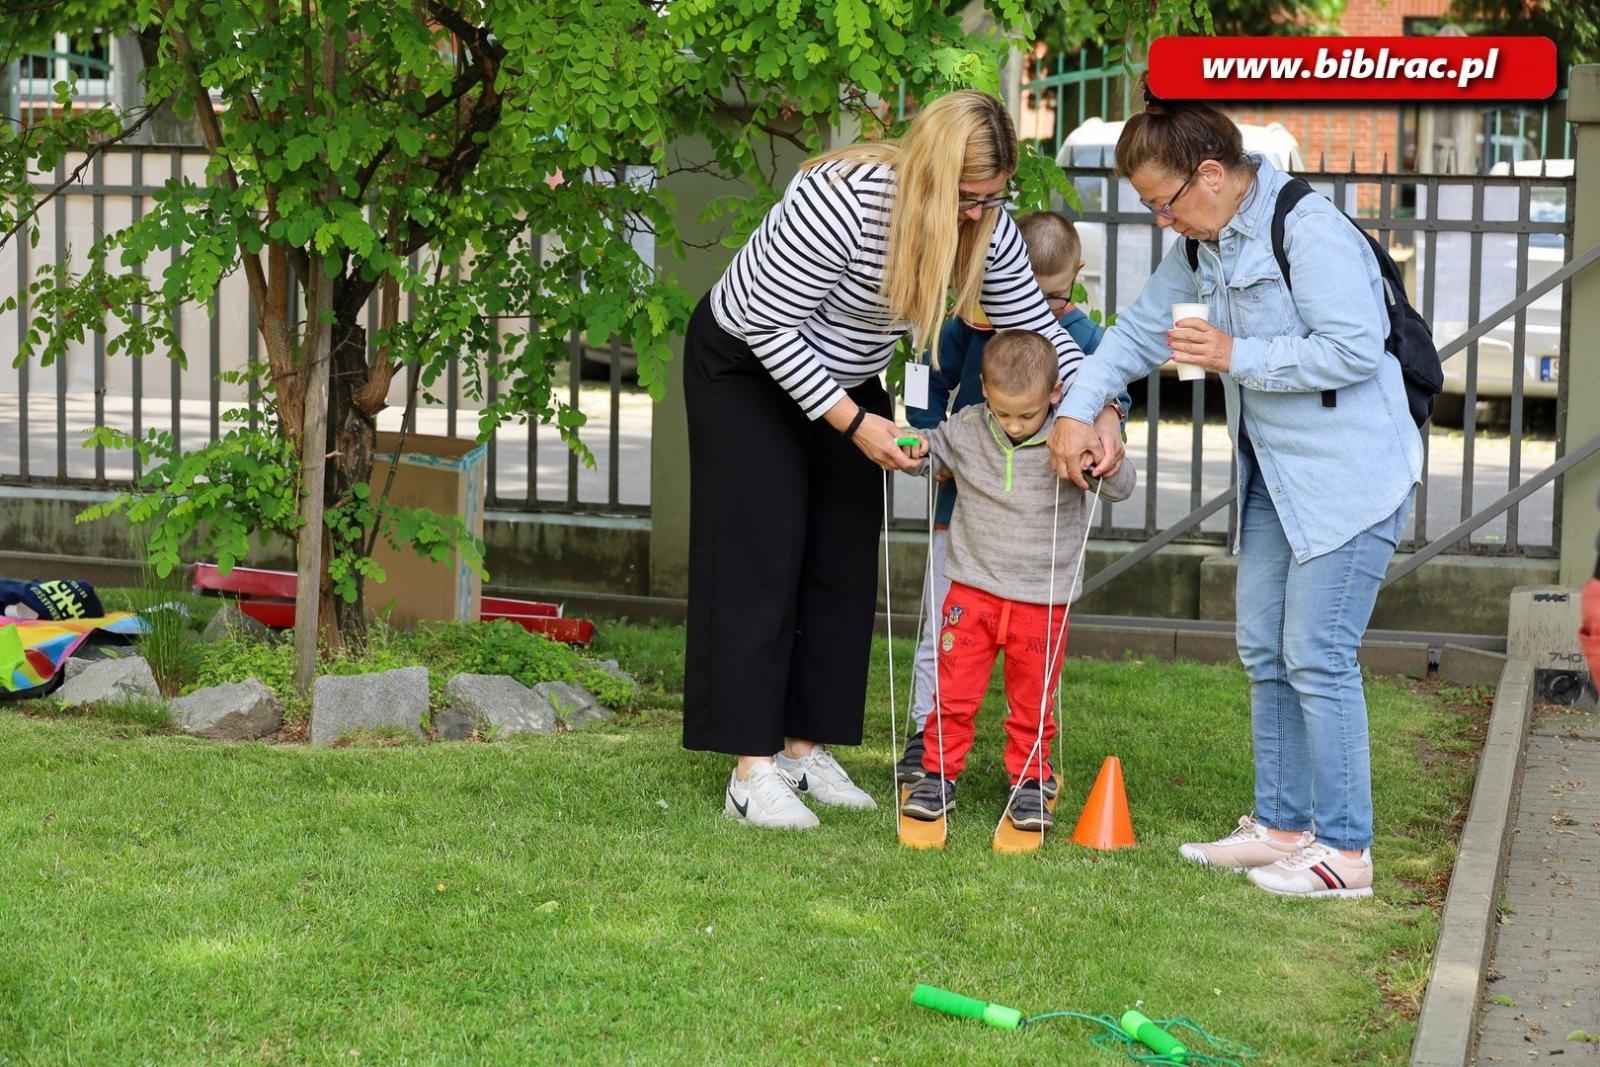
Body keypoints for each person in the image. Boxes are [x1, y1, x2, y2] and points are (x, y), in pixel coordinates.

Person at [682, 90, 1127, 830]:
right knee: (760, 554)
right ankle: (749, 771)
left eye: (992, 199)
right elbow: (769, 325)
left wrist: (1097, 410)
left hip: (845, 372)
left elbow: (1041, 335)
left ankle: (800, 750)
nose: (977, 215)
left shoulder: (987, 230)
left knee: (841, 556)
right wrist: (857, 423)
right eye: (966, 197)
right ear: (929, 173)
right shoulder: (843, 201)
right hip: (749, 365)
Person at [1049, 84, 1421, 898]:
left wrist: (1234, 355)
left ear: (1211, 174)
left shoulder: (1309, 231)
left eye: (1163, 201)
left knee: (1317, 656)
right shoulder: (1200, 243)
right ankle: (1283, 828)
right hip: (1274, 479)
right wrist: (1079, 410)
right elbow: (1135, 337)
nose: (1160, 220)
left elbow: (1355, 350)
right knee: (1265, 650)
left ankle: (1346, 854)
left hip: (1352, 482)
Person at [896, 211, 1127, 785]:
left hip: (1037, 515)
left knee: (1028, 652)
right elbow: (927, 374)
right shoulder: (969, 325)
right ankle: (930, 737)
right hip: (968, 498)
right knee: (944, 633)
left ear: (1078, 275)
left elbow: (1111, 387)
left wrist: (1108, 421)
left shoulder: (1086, 338)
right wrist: (937, 440)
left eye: (1057, 296)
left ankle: (1028, 764)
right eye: (1031, 294)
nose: (1042, 310)